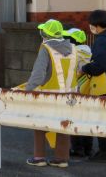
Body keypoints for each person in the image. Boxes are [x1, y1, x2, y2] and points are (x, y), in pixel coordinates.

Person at [26, 19, 78, 168]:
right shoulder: (73, 48)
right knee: (63, 125)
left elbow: (38, 75)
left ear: (45, 34)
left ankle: (39, 157)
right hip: (69, 97)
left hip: (47, 95)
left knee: (39, 125)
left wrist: (27, 91)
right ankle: (61, 159)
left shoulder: (46, 48)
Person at [81, 10, 106, 162]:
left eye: (91, 24)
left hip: (103, 86)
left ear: (96, 25)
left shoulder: (101, 41)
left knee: (102, 119)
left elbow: (99, 66)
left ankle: (104, 152)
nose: (90, 26)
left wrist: (85, 68)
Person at [63, 28, 93, 157]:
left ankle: (77, 149)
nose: (66, 40)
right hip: (89, 88)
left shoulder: (74, 52)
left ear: (74, 40)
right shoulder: (89, 51)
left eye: (68, 38)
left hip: (77, 88)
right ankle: (88, 148)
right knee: (87, 118)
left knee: (75, 118)